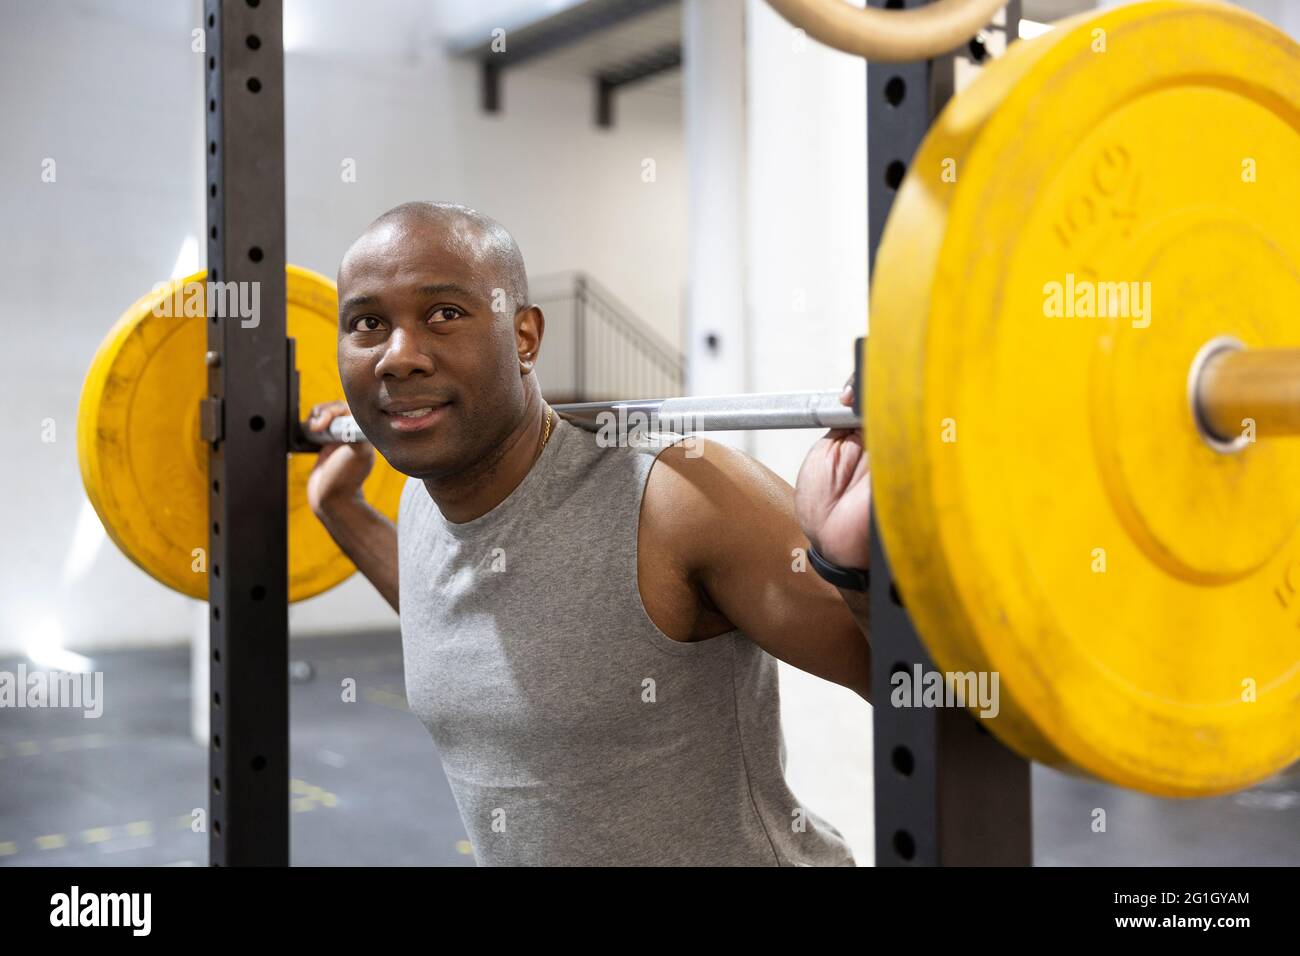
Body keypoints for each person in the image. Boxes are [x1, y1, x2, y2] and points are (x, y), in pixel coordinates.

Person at [307, 201, 872, 866]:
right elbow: (470, 623)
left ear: (524, 336)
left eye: (444, 314)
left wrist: (856, 569)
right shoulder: (421, 506)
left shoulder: (676, 497)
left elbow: (934, 691)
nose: (399, 357)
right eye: (369, 323)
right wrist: (338, 506)